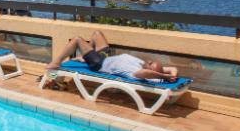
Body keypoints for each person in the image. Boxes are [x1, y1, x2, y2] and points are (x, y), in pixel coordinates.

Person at [41, 30, 178, 90]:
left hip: (99, 64)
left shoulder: (138, 73)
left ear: (151, 72)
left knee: (77, 39)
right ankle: (85, 57)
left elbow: (147, 74)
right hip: (106, 57)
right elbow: (172, 69)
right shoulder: (146, 67)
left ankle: (55, 63)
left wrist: (163, 77)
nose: (149, 61)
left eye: (151, 64)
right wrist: (169, 76)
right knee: (97, 34)